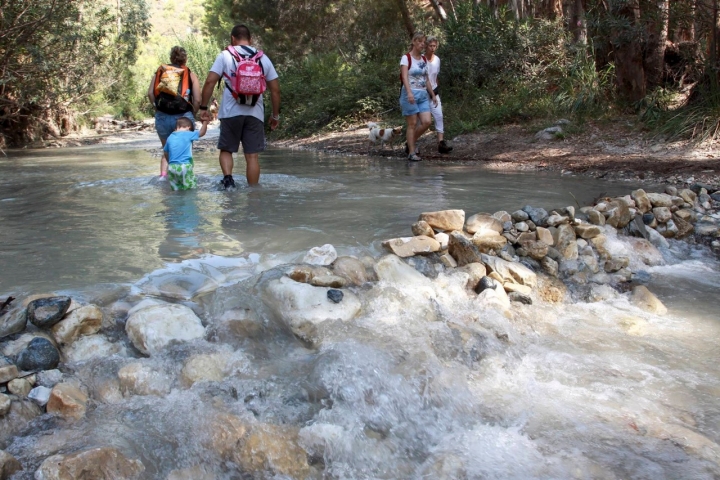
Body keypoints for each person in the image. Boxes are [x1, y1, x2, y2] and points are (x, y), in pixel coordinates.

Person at [199, 24, 280, 189]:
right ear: (250, 40)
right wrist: (275, 115)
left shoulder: (225, 56)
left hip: (230, 111)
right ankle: (253, 193)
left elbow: (210, 82)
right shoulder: (263, 58)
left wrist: (203, 107)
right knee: (252, 157)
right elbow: (276, 90)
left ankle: (228, 180)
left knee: (227, 150)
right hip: (255, 113)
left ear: (232, 39)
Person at [148, 46, 201, 178]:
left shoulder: (160, 72)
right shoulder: (190, 74)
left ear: (171, 57)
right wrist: (192, 114)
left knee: (166, 150)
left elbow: (150, 93)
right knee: (184, 152)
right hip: (184, 117)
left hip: (162, 116)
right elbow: (198, 99)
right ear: (185, 59)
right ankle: (185, 179)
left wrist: (157, 108)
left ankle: (164, 178)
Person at [400, 32, 437, 162]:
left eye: (424, 42)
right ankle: (411, 152)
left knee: (427, 122)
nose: (423, 45)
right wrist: (409, 92)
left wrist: (432, 95)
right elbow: (404, 77)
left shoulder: (424, 59)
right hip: (409, 94)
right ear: (414, 42)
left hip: (422, 94)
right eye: (420, 42)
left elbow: (426, 79)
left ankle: (410, 142)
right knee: (412, 123)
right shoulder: (406, 58)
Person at [163, 116, 208, 191]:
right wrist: (205, 122)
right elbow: (202, 132)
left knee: (176, 190)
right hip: (185, 166)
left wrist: (170, 163)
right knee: (190, 189)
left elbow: (165, 152)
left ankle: (177, 202)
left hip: (172, 168)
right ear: (188, 127)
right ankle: (189, 202)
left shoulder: (170, 137)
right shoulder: (188, 134)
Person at [425, 36, 453, 154]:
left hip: (434, 91)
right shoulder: (421, 59)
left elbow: (435, 76)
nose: (432, 48)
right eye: (430, 46)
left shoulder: (437, 59)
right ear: (426, 46)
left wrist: (436, 90)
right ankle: (410, 143)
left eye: (434, 46)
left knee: (439, 115)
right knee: (422, 121)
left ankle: (441, 143)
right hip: (422, 92)